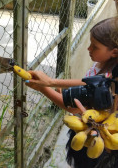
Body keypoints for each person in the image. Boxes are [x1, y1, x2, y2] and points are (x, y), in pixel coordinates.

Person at [25, 17, 118, 168]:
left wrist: (43, 87)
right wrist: (55, 84)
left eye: (95, 47)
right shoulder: (106, 67)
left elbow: (73, 107)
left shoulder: (108, 86)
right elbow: (87, 82)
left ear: (114, 52)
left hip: (96, 143)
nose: (89, 49)